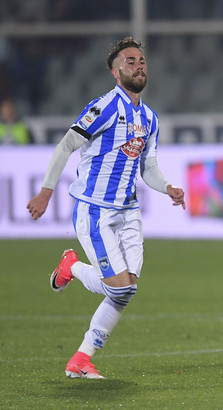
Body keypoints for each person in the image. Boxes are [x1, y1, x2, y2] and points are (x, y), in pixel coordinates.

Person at [26, 36, 186, 379]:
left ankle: (81, 359)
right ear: (116, 73)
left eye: (141, 61)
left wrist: (167, 187)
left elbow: (148, 167)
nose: (138, 66)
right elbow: (66, 145)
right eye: (130, 62)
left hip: (129, 212)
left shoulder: (150, 118)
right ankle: (71, 267)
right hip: (95, 211)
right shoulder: (105, 107)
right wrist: (46, 192)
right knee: (119, 287)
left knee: (127, 289)